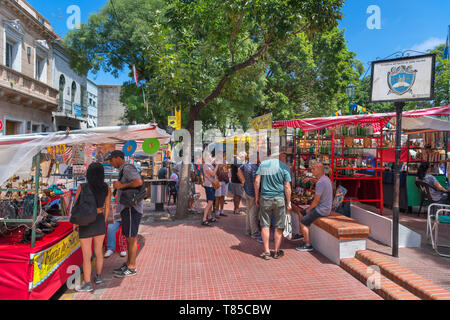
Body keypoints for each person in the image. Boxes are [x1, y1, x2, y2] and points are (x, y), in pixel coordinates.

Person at [73, 162, 111, 292]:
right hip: (99, 220)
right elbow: (108, 207)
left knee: (86, 255)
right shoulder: (106, 187)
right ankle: (99, 277)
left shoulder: (82, 187)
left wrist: (75, 223)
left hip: (85, 221)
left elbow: (76, 206)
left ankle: (87, 283)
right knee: (99, 251)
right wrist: (104, 220)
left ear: (88, 173)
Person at [108, 150, 144, 278]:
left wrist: (122, 186)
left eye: (111, 160)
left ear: (118, 158)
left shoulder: (127, 168)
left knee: (131, 238)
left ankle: (132, 267)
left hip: (131, 208)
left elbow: (138, 182)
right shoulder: (124, 169)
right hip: (128, 208)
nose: (111, 163)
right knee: (129, 237)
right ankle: (128, 263)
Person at [254, 153, 292, 260]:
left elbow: (257, 181)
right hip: (279, 199)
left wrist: (257, 197)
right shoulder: (284, 166)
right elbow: (287, 186)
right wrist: (288, 202)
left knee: (265, 225)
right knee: (279, 226)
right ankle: (276, 251)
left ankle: (266, 251)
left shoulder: (263, 165)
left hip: (265, 198)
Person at [295, 163, 333, 252]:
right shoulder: (325, 179)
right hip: (325, 208)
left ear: (319, 170)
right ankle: (302, 234)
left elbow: (316, 201)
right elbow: (318, 182)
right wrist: (311, 179)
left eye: (313, 169)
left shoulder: (320, 182)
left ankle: (308, 245)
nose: (311, 170)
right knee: (300, 213)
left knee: (303, 222)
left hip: (322, 210)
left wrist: (309, 209)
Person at [238, 152, 260, 240]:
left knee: (249, 212)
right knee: (253, 213)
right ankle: (254, 232)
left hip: (247, 191)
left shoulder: (247, 164)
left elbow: (239, 170)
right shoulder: (255, 167)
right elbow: (256, 182)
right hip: (252, 192)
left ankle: (248, 230)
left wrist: (243, 181)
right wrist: (257, 195)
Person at [202, 153, 218, 226]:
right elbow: (213, 174)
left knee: (210, 202)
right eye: (209, 155)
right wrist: (217, 165)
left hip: (212, 185)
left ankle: (209, 216)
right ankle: (204, 219)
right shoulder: (206, 165)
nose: (211, 156)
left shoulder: (210, 164)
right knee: (210, 202)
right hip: (209, 186)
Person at [215, 155, 229, 219]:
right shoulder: (215, 162)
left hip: (225, 181)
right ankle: (217, 212)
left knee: (223, 196)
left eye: (223, 154)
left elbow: (227, 171)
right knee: (218, 197)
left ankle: (222, 211)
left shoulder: (225, 162)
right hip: (218, 181)